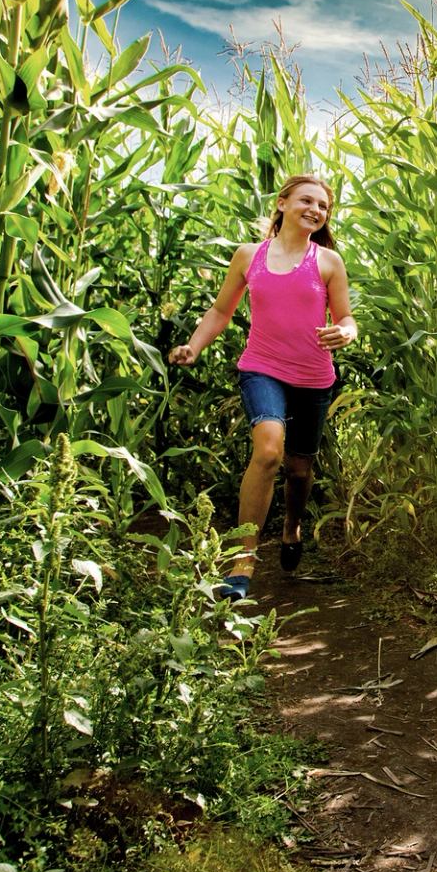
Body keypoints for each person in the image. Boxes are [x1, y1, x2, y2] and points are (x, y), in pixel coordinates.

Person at [169, 174, 356, 600]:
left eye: (323, 206)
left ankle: (291, 525)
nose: (316, 210)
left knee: (299, 468)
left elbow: (346, 318)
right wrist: (194, 347)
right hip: (262, 368)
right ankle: (242, 560)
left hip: (313, 376)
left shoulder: (328, 262)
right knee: (269, 452)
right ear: (283, 202)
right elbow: (220, 310)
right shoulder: (248, 256)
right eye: (307, 200)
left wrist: (346, 332)